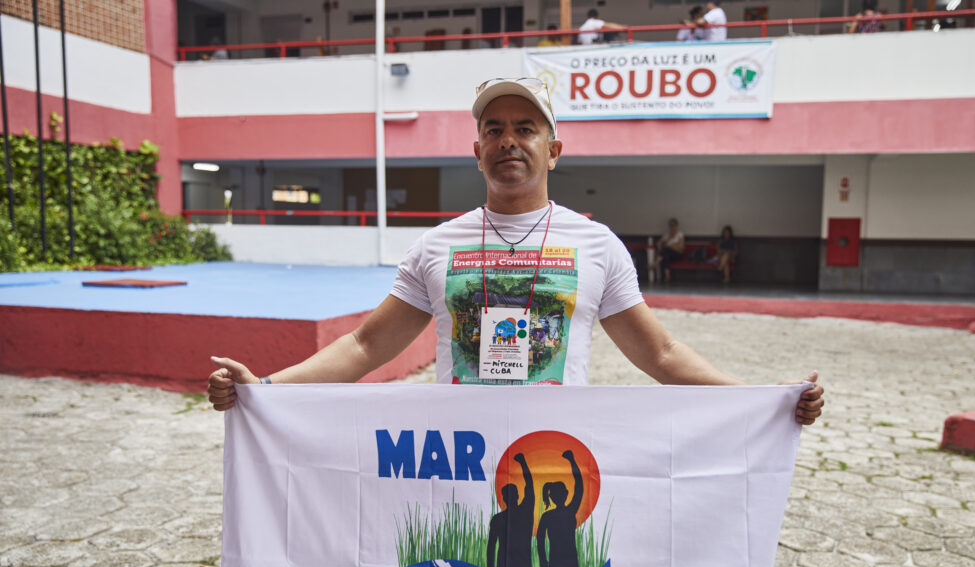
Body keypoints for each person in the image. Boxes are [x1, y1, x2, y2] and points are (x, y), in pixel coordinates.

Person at [206, 76, 824, 427]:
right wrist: (265, 386)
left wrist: (757, 398)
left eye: (525, 128)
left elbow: (660, 353)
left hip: (557, 455)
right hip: (453, 455)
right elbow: (365, 346)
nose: (509, 141)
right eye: (493, 129)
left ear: (554, 150)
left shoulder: (595, 245)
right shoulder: (435, 247)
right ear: (476, 152)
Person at [536, 450, 584, 567]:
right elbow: (539, 538)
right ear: (565, 493)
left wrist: (572, 460)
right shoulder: (564, 512)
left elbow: (579, 487)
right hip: (562, 559)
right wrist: (542, 558)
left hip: (564, 558)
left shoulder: (551, 515)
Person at [487, 452, 536, 567]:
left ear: (503, 498)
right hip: (512, 560)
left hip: (517, 560)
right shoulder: (524, 510)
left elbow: (491, 545)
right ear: (516, 496)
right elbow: (491, 544)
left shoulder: (500, 518)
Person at [654, 217, 686, 283]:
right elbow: (658, 243)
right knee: (666, 256)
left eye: (674, 226)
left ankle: (656, 262)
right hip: (668, 254)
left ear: (676, 226)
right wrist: (661, 248)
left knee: (666, 250)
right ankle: (667, 277)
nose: (672, 227)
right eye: (671, 226)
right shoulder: (667, 235)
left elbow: (681, 248)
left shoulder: (680, 235)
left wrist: (671, 246)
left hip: (677, 255)